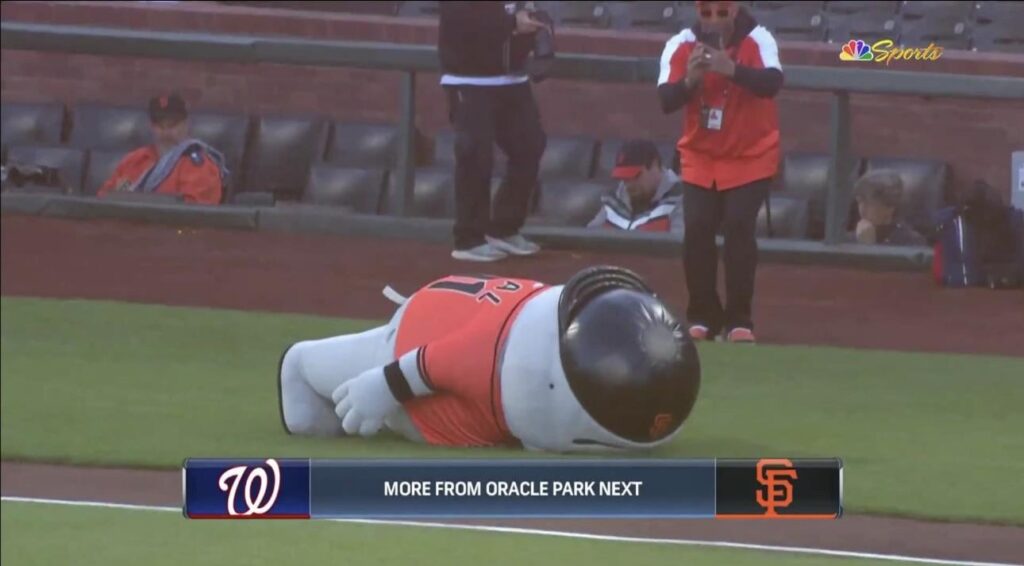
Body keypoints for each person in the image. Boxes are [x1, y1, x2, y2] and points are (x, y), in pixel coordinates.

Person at [278, 266, 702, 453]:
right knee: (331, 367)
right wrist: (383, 385)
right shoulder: (495, 354)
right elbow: (425, 363)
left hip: (471, 322)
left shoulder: (556, 328)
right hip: (406, 340)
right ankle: (298, 363)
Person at [657, 0, 784, 344]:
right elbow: (666, 99)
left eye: (721, 12)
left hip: (750, 155)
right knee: (697, 230)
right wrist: (691, 81)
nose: (714, 20)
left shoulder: (759, 39)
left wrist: (732, 70)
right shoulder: (681, 42)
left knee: (739, 228)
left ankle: (740, 320)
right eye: (706, 12)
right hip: (701, 156)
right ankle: (702, 316)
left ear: (735, 9)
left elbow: (772, 82)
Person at [438, 1, 549, 262]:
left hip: (512, 76)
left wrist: (536, 25)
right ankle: (468, 238)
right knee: (476, 154)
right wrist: (512, 23)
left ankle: (504, 227)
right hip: (467, 76)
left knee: (530, 145)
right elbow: (459, 16)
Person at [97, 93, 226, 205]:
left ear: (186, 124)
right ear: (151, 127)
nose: (166, 131)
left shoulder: (198, 165)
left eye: (173, 124)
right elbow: (105, 198)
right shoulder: (133, 160)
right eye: (159, 125)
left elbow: (195, 213)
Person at [588, 140, 685, 233]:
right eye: (624, 178)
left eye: (635, 176)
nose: (628, 185)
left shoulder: (680, 199)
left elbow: (678, 246)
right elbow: (589, 242)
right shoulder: (613, 199)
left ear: (654, 165)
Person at [852, 170, 927, 246]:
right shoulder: (848, 240)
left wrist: (868, 245)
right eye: (860, 201)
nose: (862, 209)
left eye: (870, 203)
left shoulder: (912, 242)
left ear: (889, 207)